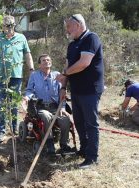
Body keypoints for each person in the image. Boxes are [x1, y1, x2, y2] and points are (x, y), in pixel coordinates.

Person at [56, 14, 104, 169]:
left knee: (91, 124)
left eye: (69, 27)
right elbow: (68, 68)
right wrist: (63, 87)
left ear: (77, 25)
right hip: (76, 91)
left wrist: (64, 74)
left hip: (90, 90)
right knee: (79, 123)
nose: (67, 30)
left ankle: (92, 157)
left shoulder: (91, 38)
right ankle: (84, 150)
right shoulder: (72, 45)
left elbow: (83, 63)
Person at [0, 15, 35, 143]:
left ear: (14, 25)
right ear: (2, 26)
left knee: (14, 105)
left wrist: (31, 70)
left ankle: (14, 130)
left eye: (11, 25)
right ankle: (1, 132)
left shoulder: (21, 38)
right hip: (0, 78)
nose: (9, 28)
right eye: (6, 26)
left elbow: (27, 54)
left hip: (16, 77)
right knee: (1, 105)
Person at [23, 54, 75, 155]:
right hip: (40, 107)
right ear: (39, 65)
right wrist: (26, 97)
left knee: (65, 119)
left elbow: (62, 92)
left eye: (48, 60)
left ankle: (64, 145)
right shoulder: (34, 75)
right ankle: (49, 142)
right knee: (46, 116)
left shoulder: (57, 75)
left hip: (55, 107)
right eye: (43, 60)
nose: (47, 61)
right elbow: (29, 90)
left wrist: (63, 107)